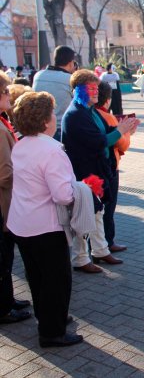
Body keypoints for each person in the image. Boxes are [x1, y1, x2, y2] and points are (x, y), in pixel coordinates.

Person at [8, 91, 83, 346]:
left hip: (21, 222)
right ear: (44, 120)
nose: (55, 117)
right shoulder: (51, 150)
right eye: (52, 113)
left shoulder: (21, 144)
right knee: (56, 280)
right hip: (46, 226)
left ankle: (49, 318)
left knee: (36, 276)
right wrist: (82, 190)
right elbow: (62, 195)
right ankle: (52, 332)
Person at [62, 70, 136, 273]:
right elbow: (98, 141)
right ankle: (80, 258)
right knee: (84, 214)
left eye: (96, 88)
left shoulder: (89, 110)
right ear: (79, 90)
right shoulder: (76, 115)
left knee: (97, 212)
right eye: (91, 88)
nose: (96, 93)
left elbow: (105, 133)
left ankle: (100, 250)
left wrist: (122, 128)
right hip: (85, 171)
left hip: (97, 169)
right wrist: (120, 131)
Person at [0, 71, 32, 325]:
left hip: (7, 201)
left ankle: (8, 299)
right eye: (5, 92)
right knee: (3, 257)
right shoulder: (0, 129)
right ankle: (3, 306)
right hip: (4, 203)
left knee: (6, 255)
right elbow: (5, 174)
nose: (9, 96)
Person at [95, 81, 138, 253]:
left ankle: (100, 243)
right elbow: (122, 144)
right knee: (108, 207)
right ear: (107, 100)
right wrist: (127, 132)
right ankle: (107, 241)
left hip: (97, 166)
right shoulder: (108, 117)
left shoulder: (90, 113)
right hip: (109, 167)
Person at [32, 46, 77, 140]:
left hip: (39, 128)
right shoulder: (69, 79)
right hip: (61, 129)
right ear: (70, 63)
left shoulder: (38, 75)